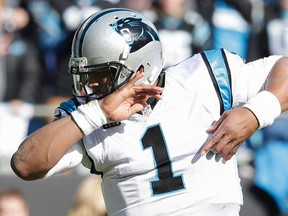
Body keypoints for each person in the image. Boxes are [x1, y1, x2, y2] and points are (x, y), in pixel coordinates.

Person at [10, 8, 288, 216]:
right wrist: (96, 113)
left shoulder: (205, 77)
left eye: (101, 75)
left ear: (141, 67)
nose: (90, 86)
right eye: (86, 76)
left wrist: (256, 113)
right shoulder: (87, 117)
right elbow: (25, 164)